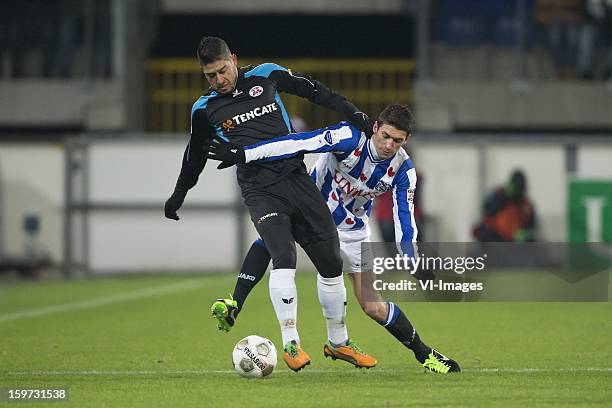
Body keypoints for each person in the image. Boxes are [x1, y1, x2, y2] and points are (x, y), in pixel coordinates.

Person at [163, 36, 375, 372]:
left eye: (222, 71)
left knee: (330, 262)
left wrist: (352, 111)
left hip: (296, 177)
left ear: (233, 59)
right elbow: (194, 158)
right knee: (283, 254)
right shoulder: (204, 109)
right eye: (210, 76)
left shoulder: (267, 75)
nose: (219, 80)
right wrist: (178, 195)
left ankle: (339, 343)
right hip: (260, 190)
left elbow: (315, 91)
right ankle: (291, 344)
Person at [207, 104, 461, 374]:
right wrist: (244, 154)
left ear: (406, 139)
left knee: (373, 305)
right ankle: (237, 302)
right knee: (272, 241)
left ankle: (424, 354)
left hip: (354, 231)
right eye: (385, 136)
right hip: (310, 211)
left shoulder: (403, 171)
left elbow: (405, 220)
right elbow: (297, 143)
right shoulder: (348, 137)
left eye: (397, 141)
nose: (388, 145)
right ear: (375, 127)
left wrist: (413, 262)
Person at [473, 170, 537, 242]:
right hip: (494, 237)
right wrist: (504, 197)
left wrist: (525, 234)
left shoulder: (526, 205)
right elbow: (488, 210)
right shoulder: (499, 194)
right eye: (516, 186)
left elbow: (532, 226)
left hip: (513, 242)